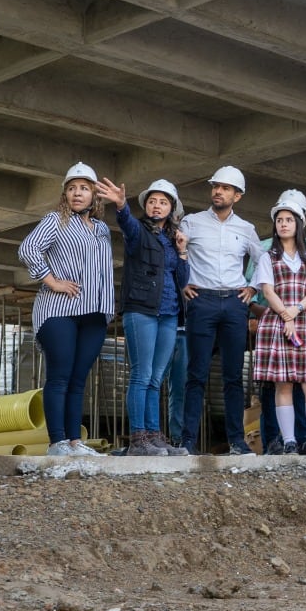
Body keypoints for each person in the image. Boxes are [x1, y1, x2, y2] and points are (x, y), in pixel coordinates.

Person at [19, 162, 116, 456]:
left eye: (84, 188)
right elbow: (27, 248)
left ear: (93, 195)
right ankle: (57, 442)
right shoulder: (55, 220)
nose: (78, 193)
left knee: (78, 379)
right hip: (60, 310)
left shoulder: (101, 229)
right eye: (72, 188)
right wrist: (52, 281)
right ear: (65, 194)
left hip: (94, 313)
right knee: (59, 376)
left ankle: (75, 442)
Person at [99, 176, 190, 457]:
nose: (157, 206)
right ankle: (139, 438)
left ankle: (154, 435)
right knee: (142, 374)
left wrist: (183, 250)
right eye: (152, 201)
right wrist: (121, 205)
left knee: (157, 377)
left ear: (172, 208)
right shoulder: (138, 230)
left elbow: (183, 280)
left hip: (169, 313)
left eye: (163, 202)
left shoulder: (174, 240)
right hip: (141, 310)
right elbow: (126, 223)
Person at [179, 165, 263, 455]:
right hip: (201, 301)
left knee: (232, 376)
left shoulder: (246, 229)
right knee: (196, 373)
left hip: (234, 304)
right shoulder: (191, 222)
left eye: (226, 188)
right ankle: (187, 441)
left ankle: (237, 441)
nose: (218, 191)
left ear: (237, 196)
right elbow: (174, 254)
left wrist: (253, 287)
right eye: (216, 186)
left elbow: (263, 262)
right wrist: (182, 284)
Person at [252, 192, 306, 454]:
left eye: (289, 219)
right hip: (276, 323)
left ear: (299, 223)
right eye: (279, 220)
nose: (283, 224)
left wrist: (295, 311)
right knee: (283, 383)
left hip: (304, 321)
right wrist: (285, 315)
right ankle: (289, 441)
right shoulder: (267, 256)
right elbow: (267, 290)